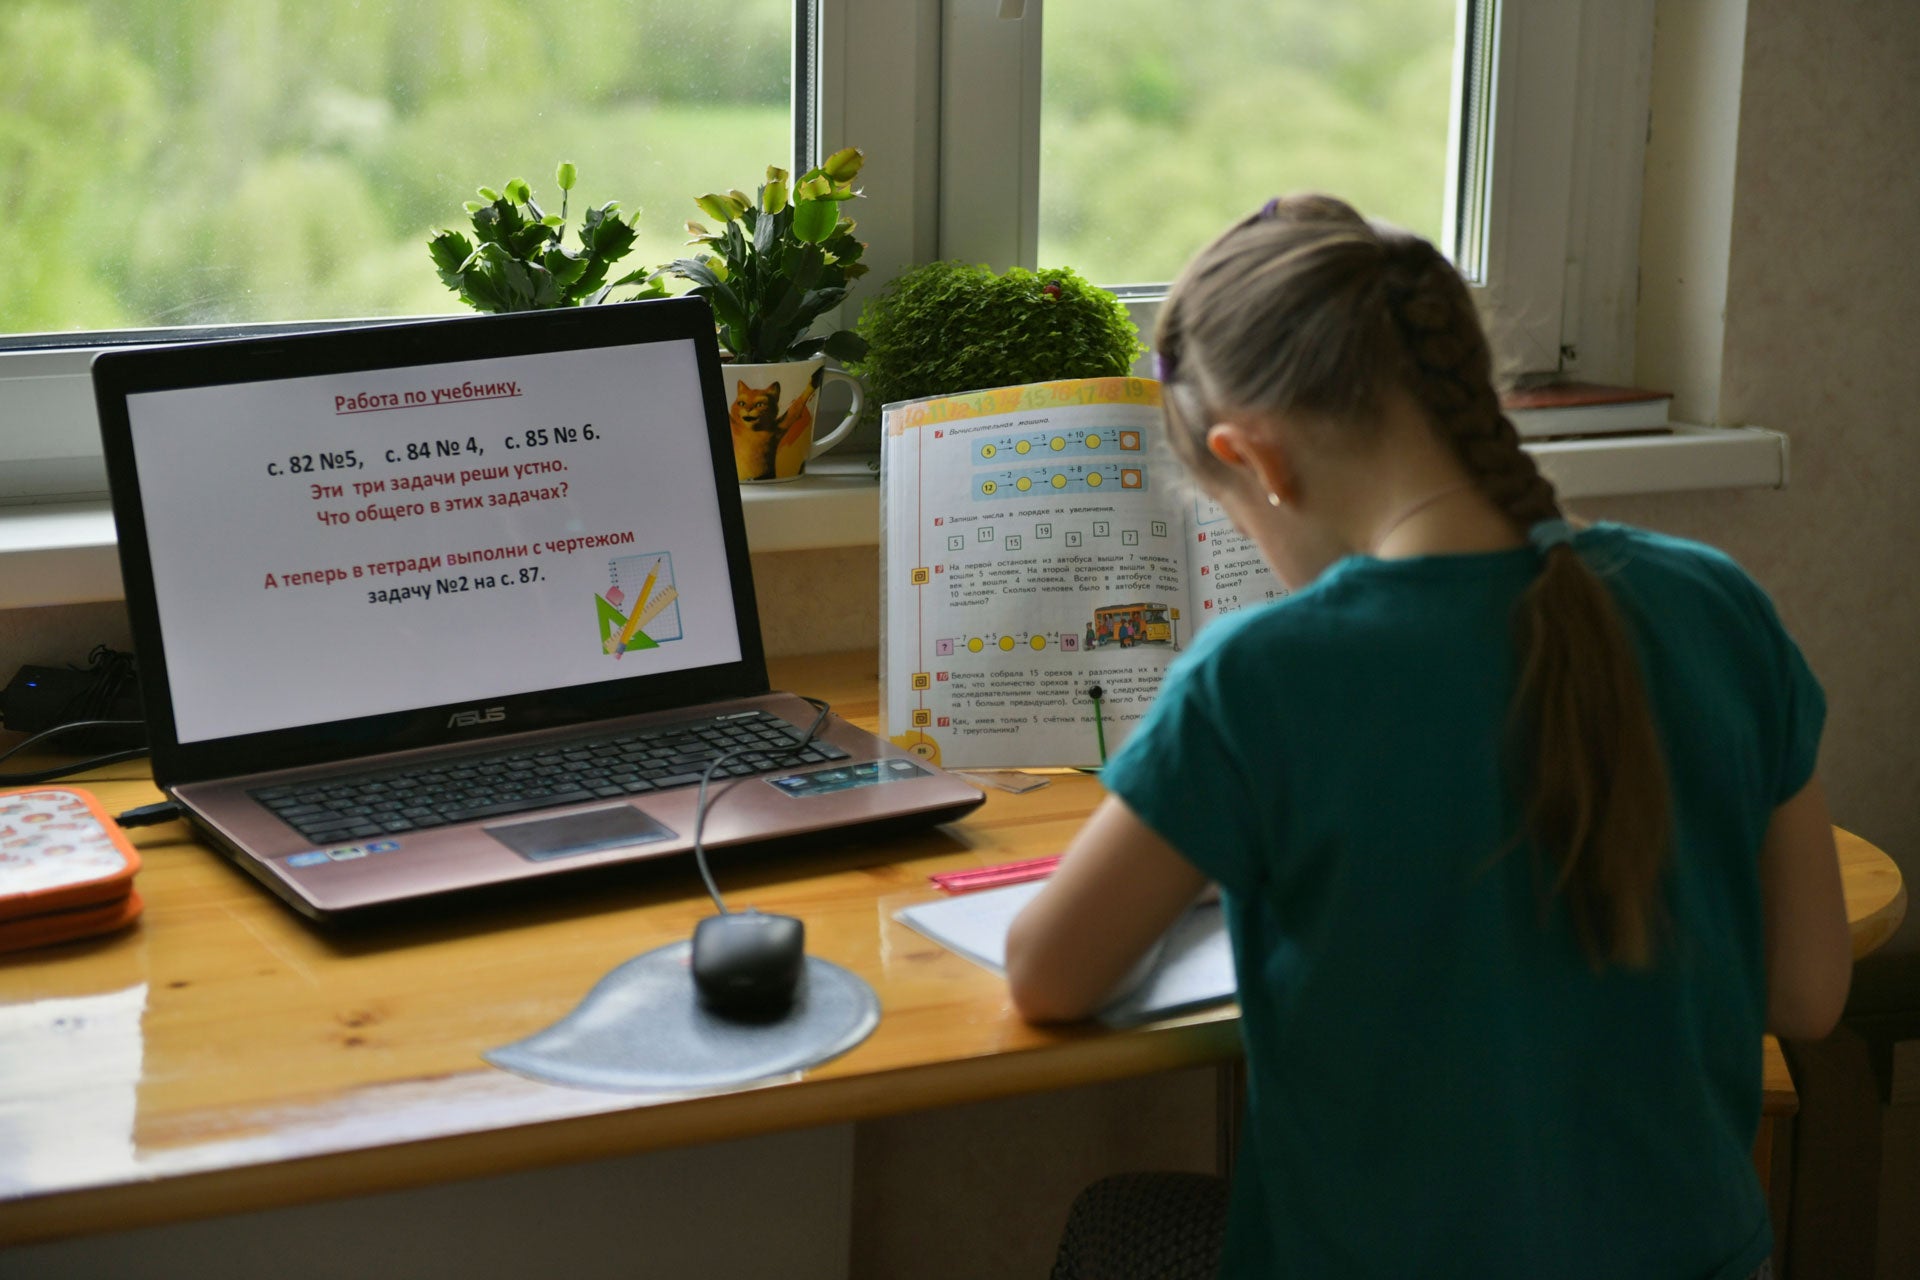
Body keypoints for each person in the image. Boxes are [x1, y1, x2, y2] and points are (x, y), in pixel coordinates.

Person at [1005, 195, 1852, 1279]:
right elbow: (1808, 991)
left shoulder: (1262, 677)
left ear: (1253, 457)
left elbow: (1047, 974)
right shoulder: (1720, 604)